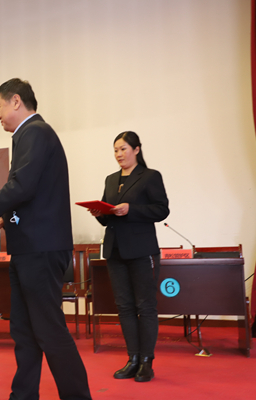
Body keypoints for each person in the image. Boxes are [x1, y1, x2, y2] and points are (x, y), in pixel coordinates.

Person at [0, 78, 92, 400]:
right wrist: (3, 219)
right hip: (28, 249)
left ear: (15, 101)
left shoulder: (35, 131)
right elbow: (30, 197)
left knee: (49, 330)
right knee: (23, 331)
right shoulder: (30, 134)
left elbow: (22, 185)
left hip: (40, 250)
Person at [89, 131, 169, 382]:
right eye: (115, 150)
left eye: (123, 149)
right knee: (124, 307)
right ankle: (132, 358)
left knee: (145, 306)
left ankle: (146, 362)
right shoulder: (111, 179)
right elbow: (108, 217)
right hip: (115, 251)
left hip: (141, 250)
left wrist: (131, 209)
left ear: (136, 149)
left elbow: (161, 210)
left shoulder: (150, 176)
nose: (119, 154)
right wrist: (99, 213)